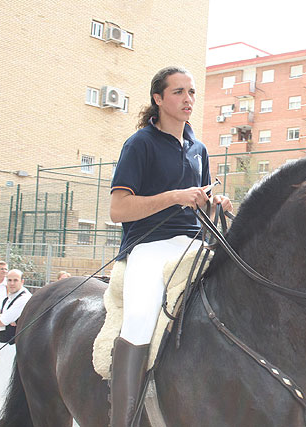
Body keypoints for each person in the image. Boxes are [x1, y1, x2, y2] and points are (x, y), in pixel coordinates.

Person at [108, 65, 233, 426]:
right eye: (178, 92)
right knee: (138, 319)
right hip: (148, 246)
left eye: (191, 92)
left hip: (192, 242)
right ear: (158, 99)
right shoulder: (139, 144)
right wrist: (174, 196)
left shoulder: (199, 148)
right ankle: (122, 419)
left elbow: (199, 202)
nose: (188, 99)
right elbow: (118, 209)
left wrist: (214, 204)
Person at [0, 269, 31, 399]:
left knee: (11, 384)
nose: (12, 283)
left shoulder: (23, 298)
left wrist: (1, 318)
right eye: (9, 280)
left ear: (22, 282)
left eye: (15, 280)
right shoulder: (8, 298)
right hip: (3, 344)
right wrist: (1, 318)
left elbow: (2, 321)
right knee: (2, 382)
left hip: (14, 346)